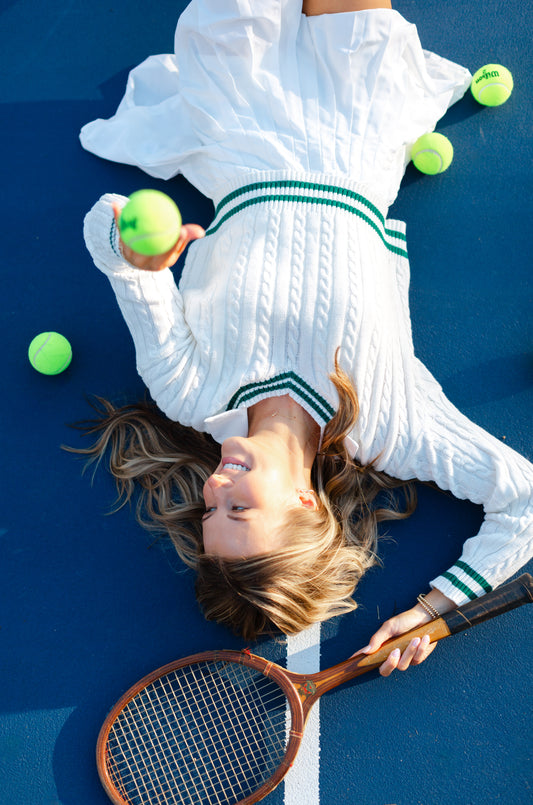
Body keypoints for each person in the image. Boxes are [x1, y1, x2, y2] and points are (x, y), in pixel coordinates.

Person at [77, 0, 533, 676]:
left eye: (210, 511)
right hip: (359, 135)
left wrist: (135, 254)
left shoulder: (186, 392)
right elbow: (522, 498)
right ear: (303, 502)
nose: (215, 488)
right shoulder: (390, 429)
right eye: (239, 507)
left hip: (241, 127)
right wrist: (433, 608)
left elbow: (106, 226)